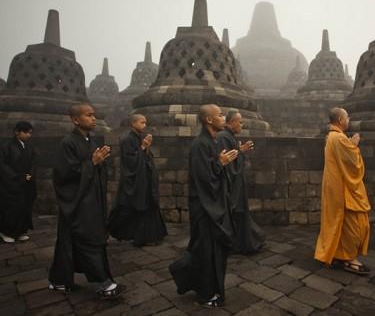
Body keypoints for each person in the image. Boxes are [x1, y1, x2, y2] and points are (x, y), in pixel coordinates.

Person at [48, 103, 125, 298]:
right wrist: (93, 162)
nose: (94, 118)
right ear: (76, 119)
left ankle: (59, 280)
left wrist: (99, 162)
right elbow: (64, 175)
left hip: (90, 199)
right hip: (79, 202)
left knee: (68, 241)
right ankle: (102, 282)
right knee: (89, 239)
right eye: (89, 115)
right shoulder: (68, 143)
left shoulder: (89, 140)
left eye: (94, 115)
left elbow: (93, 168)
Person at [169, 104, 238, 307]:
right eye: (220, 115)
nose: (223, 117)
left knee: (215, 251)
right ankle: (205, 293)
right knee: (205, 251)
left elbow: (217, 175)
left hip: (214, 206)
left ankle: (211, 289)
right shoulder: (200, 145)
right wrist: (220, 164)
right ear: (209, 120)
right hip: (205, 208)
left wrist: (221, 164)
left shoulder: (214, 142)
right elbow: (203, 178)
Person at [314, 107, 371, 275]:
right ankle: (349, 258)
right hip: (341, 189)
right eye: (347, 117)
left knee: (339, 222)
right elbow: (353, 164)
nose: (349, 119)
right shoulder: (339, 138)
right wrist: (354, 145)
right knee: (356, 225)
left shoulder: (332, 137)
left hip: (334, 187)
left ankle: (338, 253)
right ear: (340, 120)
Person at [107, 114, 167, 246]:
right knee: (129, 207)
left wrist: (146, 148)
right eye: (142, 122)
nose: (145, 125)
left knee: (147, 205)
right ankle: (115, 230)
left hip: (144, 180)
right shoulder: (127, 139)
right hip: (134, 181)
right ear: (133, 123)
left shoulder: (139, 137)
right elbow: (130, 161)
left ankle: (147, 236)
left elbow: (146, 158)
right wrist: (143, 147)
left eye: (145, 122)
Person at [216, 109, 265, 254]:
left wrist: (240, 150)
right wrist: (240, 152)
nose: (242, 125)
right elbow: (228, 165)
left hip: (236, 183)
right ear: (231, 123)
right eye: (240, 122)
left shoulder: (228, 136)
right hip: (231, 186)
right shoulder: (224, 137)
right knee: (235, 214)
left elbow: (233, 158)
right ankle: (236, 244)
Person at [0, 121, 37, 243]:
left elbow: (32, 162)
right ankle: (6, 232)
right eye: (26, 132)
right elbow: (3, 165)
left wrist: (30, 174)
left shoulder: (28, 146)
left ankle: (20, 231)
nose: (29, 135)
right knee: (11, 208)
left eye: (30, 133)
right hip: (11, 183)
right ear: (17, 132)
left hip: (25, 183)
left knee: (24, 207)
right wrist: (17, 176)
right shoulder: (6, 146)